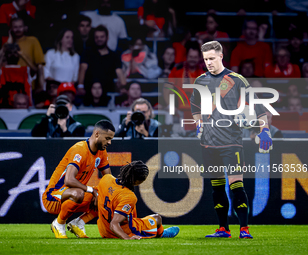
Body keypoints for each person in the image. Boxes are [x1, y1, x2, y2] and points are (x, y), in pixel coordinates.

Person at [191, 41, 272, 239]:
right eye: (205, 59)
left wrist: (265, 130)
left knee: (236, 186)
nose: (208, 63)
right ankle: (223, 229)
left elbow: (258, 107)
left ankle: (244, 229)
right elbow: (195, 107)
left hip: (232, 143)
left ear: (221, 56)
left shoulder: (236, 80)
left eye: (211, 58)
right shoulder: (200, 81)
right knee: (217, 188)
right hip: (208, 144)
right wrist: (198, 125)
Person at [42, 120, 115, 238]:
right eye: (107, 138)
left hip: (74, 195)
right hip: (53, 197)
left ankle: (78, 223)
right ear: (97, 134)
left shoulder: (101, 152)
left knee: (106, 195)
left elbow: (108, 178)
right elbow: (69, 180)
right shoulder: (80, 150)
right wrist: (92, 191)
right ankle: (59, 223)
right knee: (79, 193)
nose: (109, 142)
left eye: (111, 139)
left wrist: (114, 190)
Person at [96, 161, 179, 239]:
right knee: (157, 218)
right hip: (120, 232)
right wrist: (127, 238)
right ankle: (161, 234)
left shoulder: (106, 179)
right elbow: (114, 224)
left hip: (103, 230)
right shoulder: (128, 196)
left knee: (130, 212)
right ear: (138, 181)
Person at [78, 25, 126, 95]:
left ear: (107, 38)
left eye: (102, 37)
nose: (99, 39)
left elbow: (119, 72)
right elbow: (83, 69)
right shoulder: (87, 53)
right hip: (89, 91)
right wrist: (80, 86)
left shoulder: (114, 55)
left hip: (108, 91)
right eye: (97, 37)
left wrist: (123, 86)